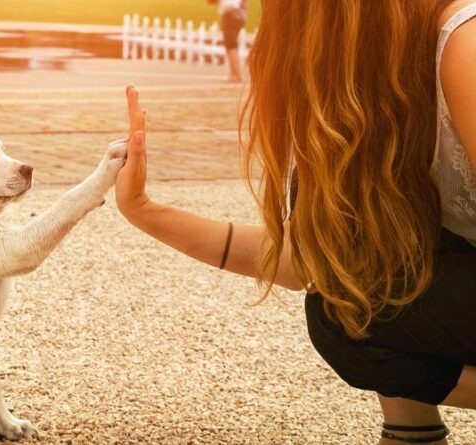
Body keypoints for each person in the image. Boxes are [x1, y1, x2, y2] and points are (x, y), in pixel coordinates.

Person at [116, 0, 476, 442]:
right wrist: (145, 210)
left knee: (352, 307)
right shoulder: (375, 93)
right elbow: (311, 264)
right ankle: (412, 435)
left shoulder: (465, 41)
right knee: (345, 302)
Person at [208, 0, 248, 82]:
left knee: (231, 45)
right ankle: (235, 74)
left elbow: (232, 4)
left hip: (232, 16)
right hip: (236, 16)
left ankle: (236, 75)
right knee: (231, 45)